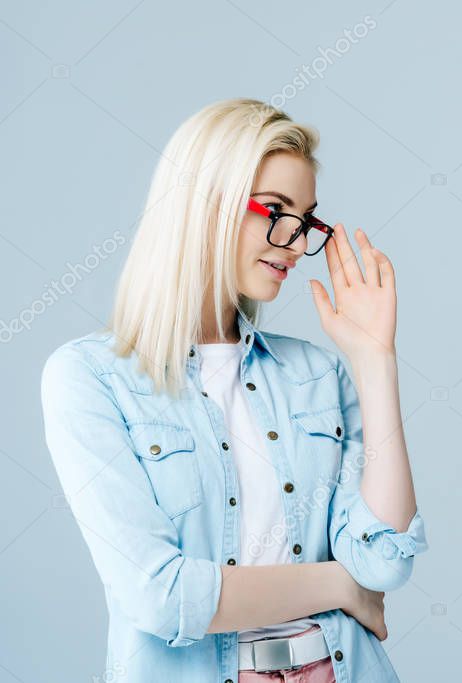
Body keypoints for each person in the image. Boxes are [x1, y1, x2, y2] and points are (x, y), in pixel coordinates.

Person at [40, 98, 426, 683]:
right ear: (202, 205)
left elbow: (382, 560)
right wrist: (341, 584)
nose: (296, 245)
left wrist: (376, 363)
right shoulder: (89, 378)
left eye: (307, 221)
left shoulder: (317, 372)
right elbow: (162, 597)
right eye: (275, 210)